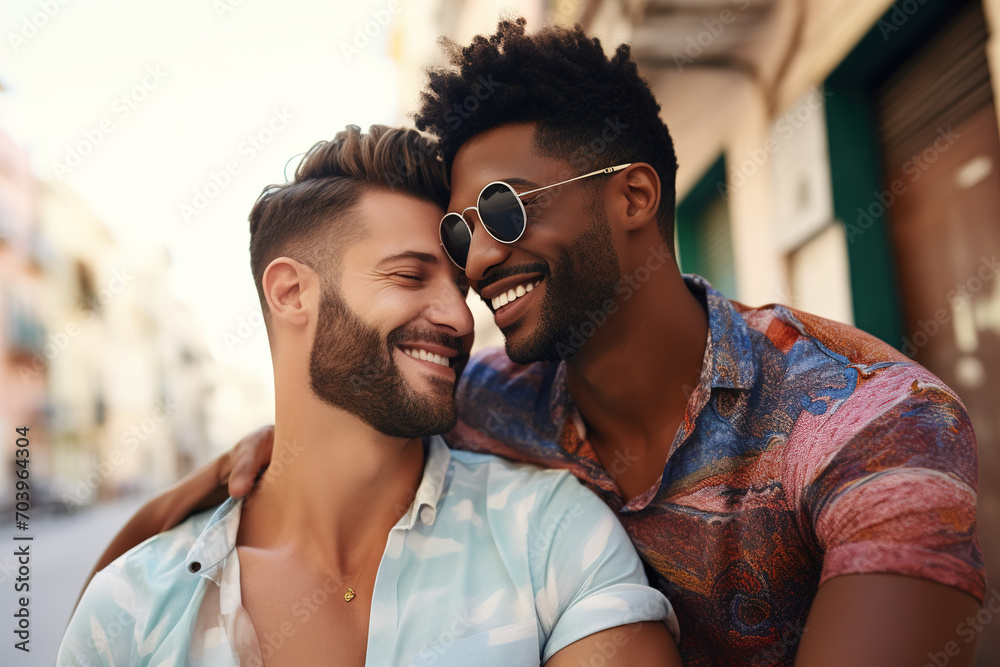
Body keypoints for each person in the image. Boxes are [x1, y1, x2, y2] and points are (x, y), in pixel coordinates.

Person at [87, 19, 985, 667]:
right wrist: (237, 469)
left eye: (505, 210)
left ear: (633, 198)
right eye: (452, 236)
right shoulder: (485, 399)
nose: (475, 261)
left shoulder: (871, 421)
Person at [58, 124, 681, 667]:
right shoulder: (132, 610)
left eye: (459, 288)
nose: (460, 320)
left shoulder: (547, 532)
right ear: (291, 293)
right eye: (409, 276)